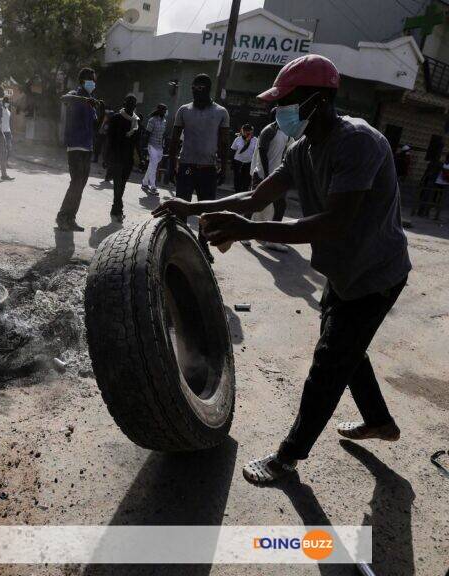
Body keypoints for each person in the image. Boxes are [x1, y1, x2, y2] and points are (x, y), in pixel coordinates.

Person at [153, 54, 411, 485]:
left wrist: (249, 230)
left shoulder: (358, 142)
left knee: (329, 363)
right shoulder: (301, 149)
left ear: (319, 100)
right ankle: (380, 421)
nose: (279, 111)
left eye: (286, 102)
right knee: (346, 347)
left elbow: (333, 223)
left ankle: (287, 458)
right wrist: (191, 207)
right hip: (343, 271)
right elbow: (255, 198)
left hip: (376, 274)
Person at [169, 74, 230, 263]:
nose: (196, 92)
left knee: (207, 213)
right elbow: (174, 140)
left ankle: (203, 245)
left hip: (208, 169)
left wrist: (224, 168)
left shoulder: (221, 112)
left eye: (200, 89)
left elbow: (224, 143)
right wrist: (171, 165)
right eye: (194, 88)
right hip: (186, 166)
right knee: (181, 209)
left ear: (208, 89)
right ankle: (178, 245)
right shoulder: (183, 110)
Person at [56, 68, 98, 231]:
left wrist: (98, 108)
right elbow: (64, 98)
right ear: (82, 81)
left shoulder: (91, 100)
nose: (93, 83)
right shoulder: (75, 95)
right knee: (76, 183)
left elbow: (95, 124)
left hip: (87, 147)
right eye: (91, 80)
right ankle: (62, 217)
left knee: (81, 185)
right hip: (75, 146)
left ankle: (71, 218)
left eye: (94, 80)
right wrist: (84, 100)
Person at [247, 108, 291, 251]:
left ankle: (272, 239)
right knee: (253, 204)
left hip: (277, 175)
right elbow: (262, 151)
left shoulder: (286, 133)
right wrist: (267, 175)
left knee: (280, 205)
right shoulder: (269, 130)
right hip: (262, 174)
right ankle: (243, 234)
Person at [105, 94, 140, 223]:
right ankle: (118, 210)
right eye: (129, 103)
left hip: (128, 159)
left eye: (133, 104)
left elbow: (137, 142)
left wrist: (140, 159)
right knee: (118, 184)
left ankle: (116, 208)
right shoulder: (116, 118)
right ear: (124, 104)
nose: (131, 105)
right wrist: (106, 157)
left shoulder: (136, 121)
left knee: (122, 185)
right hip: (116, 156)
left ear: (135, 106)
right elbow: (109, 139)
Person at [141, 103, 168, 196]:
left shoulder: (164, 121)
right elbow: (147, 133)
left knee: (152, 165)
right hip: (152, 145)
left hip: (160, 146)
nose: (165, 112)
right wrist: (145, 147)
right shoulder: (152, 120)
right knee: (154, 165)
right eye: (164, 110)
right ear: (159, 110)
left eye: (165, 110)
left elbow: (163, 134)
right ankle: (153, 186)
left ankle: (145, 182)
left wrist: (164, 146)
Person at [231, 124, 257, 193]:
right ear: (242, 131)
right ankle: (237, 194)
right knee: (237, 180)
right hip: (238, 162)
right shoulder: (238, 139)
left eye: (249, 131)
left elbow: (256, 153)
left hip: (249, 163)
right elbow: (233, 150)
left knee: (246, 181)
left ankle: (243, 195)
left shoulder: (255, 140)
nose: (247, 132)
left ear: (251, 131)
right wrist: (232, 163)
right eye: (245, 131)